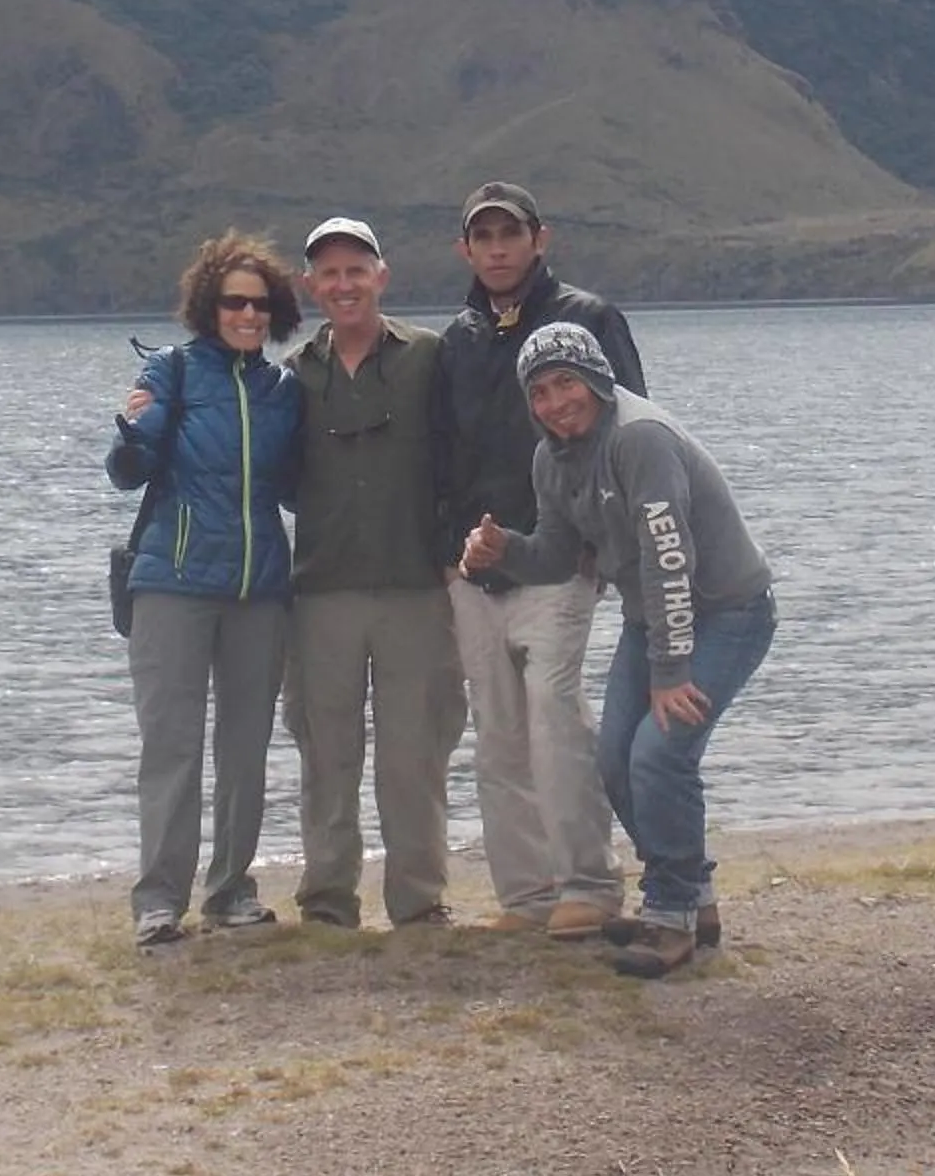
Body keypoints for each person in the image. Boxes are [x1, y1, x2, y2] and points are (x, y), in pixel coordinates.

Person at [461, 321, 775, 980]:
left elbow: (670, 559)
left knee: (659, 753)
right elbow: (555, 552)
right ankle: (693, 899)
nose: (554, 402)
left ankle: (670, 913)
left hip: (728, 610)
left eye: (567, 383)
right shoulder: (551, 456)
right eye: (539, 391)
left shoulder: (640, 441)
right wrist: (503, 551)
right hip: (652, 617)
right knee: (614, 760)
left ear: (599, 381)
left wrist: (670, 673)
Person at [436, 181, 646, 939]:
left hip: (559, 561)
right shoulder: (456, 339)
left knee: (554, 715)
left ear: (539, 239)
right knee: (496, 732)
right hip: (471, 568)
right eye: (482, 236)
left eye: (510, 234)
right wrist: (448, 553)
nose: (497, 248)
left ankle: (589, 883)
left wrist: (597, 544)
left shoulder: (588, 320)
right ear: (465, 249)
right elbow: (444, 453)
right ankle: (525, 896)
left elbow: (627, 434)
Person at [106, 233, 305, 949]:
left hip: (260, 589)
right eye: (234, 302)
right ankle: (159, 900)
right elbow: (129, 470)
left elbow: (297, 486)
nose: (248, 314)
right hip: (174, 583)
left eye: (260, 303)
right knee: (171, 745)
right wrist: (131, 437)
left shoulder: (284, 392)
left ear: (276, 310)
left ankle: (231, 892)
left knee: (247, 746)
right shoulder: (173, 372)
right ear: (208, 306)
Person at [284, 215, 464, 929]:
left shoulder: (431, 358)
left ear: (381, 277)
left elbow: (463, 455)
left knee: (414, 756)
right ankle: (328, 899)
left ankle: (418, 900)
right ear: (310, 287)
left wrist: (461, 549)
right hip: (320, 590)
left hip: (417, 587)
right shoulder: (291, 376)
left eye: (356, 270)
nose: (343, 284)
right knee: (326, 754)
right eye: (328, 273)